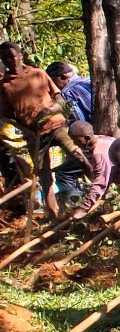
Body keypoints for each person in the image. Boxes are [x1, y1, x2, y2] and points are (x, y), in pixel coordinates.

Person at [2, 42, 81, 218]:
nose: (10, 60)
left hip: (56, 125)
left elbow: (58, 97)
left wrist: (51, 109)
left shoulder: (37, 73)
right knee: (44, 177)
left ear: (19, 55)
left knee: (77, 156)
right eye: (5, 58)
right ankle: (54, 216)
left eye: (12, 56)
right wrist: (26, 130)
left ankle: (94, 198)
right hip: (34, 135)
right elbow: (9, 117)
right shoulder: (5, 86)